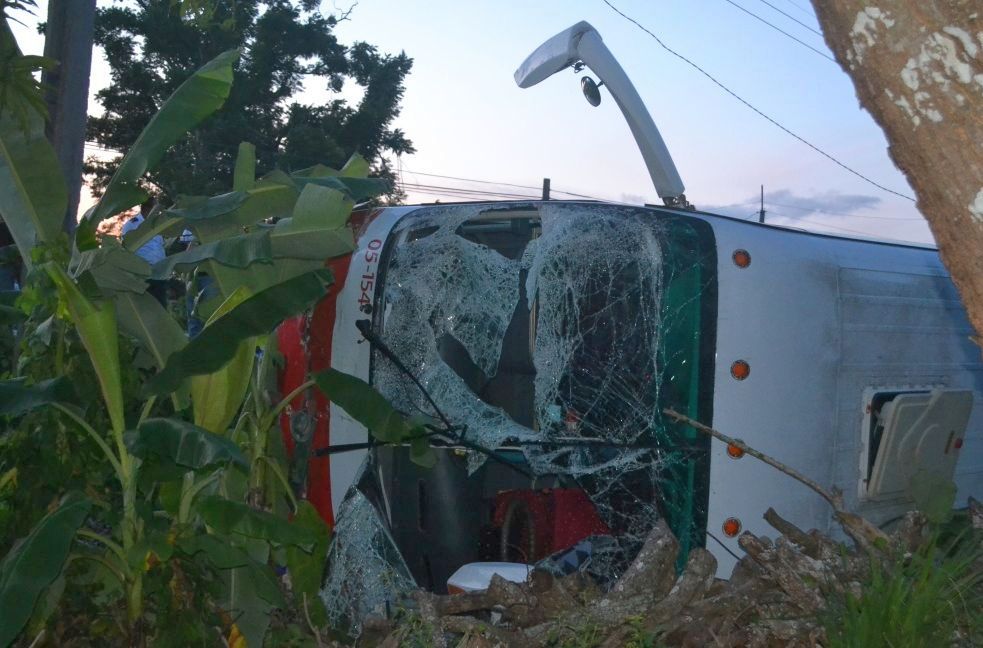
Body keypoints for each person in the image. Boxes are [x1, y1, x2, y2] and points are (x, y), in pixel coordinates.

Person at [121, 199, 168, 305]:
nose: (157, 212)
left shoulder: (156, 224)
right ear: (147, 208)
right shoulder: (132, 224)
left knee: (161, 305)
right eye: (155, 209)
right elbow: (127, 248)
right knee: (146, 304)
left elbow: (160, 245)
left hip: (159, 271)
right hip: (143, 273)